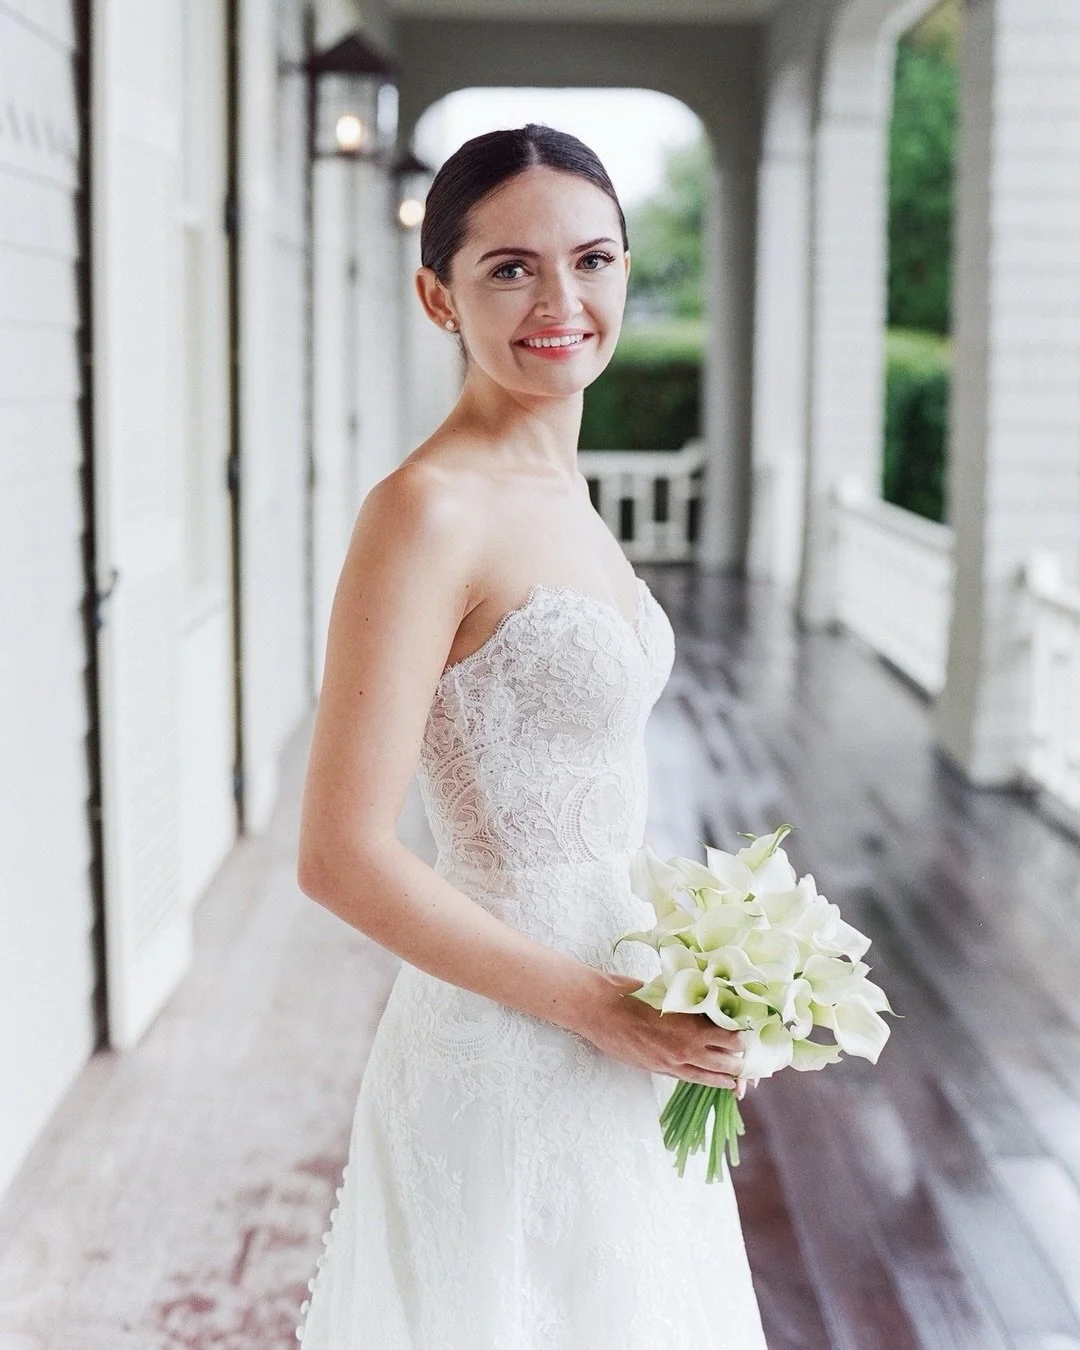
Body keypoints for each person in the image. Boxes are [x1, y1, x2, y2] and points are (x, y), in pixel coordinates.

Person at [293, 123, 767, 1348]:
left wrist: (692, 970)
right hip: (513, 1032)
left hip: (628, 1012)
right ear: (435, 293)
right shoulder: (423, 512)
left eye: (593, 261)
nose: (563, 301)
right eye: (511, 269)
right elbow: (341, 854)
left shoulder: (565, 484)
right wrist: (594, 1006)